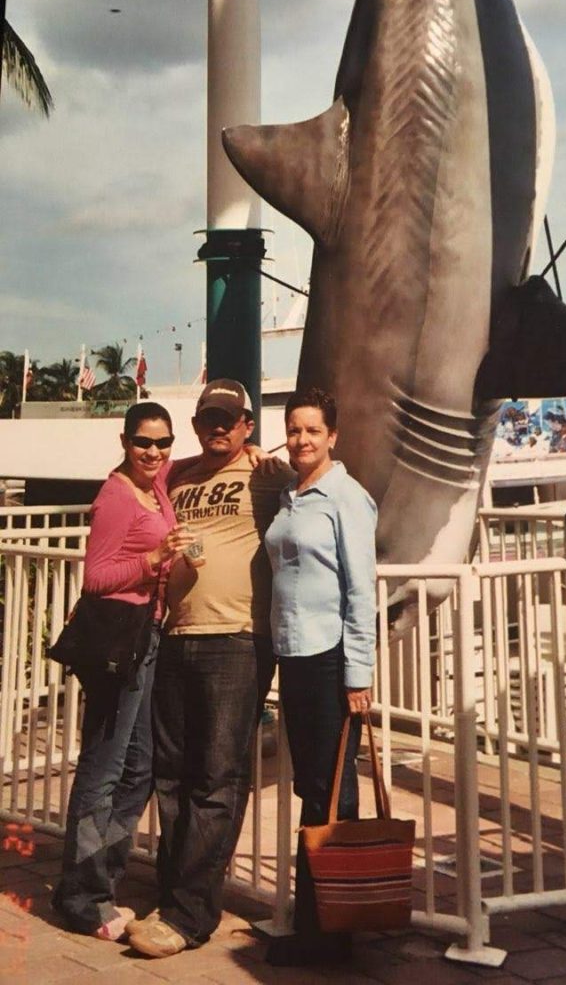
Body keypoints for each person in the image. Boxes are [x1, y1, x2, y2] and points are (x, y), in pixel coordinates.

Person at [128, 379, 290, 959]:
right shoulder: (177, 476)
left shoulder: (269, 473)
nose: (217, 428)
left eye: (228, 419)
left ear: (248, 424)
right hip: (175, 634)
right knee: (170, 774)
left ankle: (190, 914)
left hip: (237, 640)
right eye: (207, 420)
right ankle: (172, 892)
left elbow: (321, 490)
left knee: (217, 776)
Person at [53, 402, 192, 941]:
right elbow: (95, 577)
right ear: (124, 440)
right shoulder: (116, 494)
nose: (153, 452)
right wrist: (153, 559)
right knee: (104, 768)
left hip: (147, 638)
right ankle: (81, 897)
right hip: (120, 642)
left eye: (162, 443)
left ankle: (101, 880)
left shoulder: (155, 485)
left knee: (139, 767)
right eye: (142, 442)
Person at [263, 386, 378, 967]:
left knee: (334, 796)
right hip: (296, 656)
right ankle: (316, 926)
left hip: (331, 660)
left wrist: (359, 674)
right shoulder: (292, 495)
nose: (302, 439)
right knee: (314, 791)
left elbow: (362, 592)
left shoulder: (346, 498)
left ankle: (335, 935)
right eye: (294, 428)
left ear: (333, 436)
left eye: (313, 430)